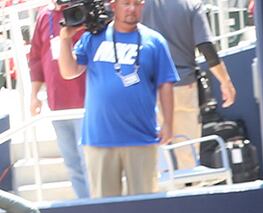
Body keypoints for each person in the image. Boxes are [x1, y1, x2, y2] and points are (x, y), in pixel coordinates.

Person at [54, 0, 178, 198]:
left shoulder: (155, 41)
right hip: (99, 138)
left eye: (137, 4)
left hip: (141, 137)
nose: (131, 9)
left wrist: (168, 124)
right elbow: (68, 72)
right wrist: (65, 40)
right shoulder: (93, 38)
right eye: (126, 3)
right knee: (104, 212)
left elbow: (166, 83)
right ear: (114, 6)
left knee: (144, 207)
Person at [141, 0, 238, 171]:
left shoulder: (137, 5)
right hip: (183, 87)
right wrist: (225, 81)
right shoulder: (191, 4)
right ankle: (187, 194)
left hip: (150, 89)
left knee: (155, 158)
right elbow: (206, 48)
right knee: (188, 155)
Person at [28, 3, 90, 200]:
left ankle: (99, 206)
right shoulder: (44, 15)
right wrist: (34, 94)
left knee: (88, 161)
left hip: (85, 103)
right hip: (57, 104)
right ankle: (85, 205)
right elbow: (36, 57)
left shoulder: (84, 9)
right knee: (72, 163)